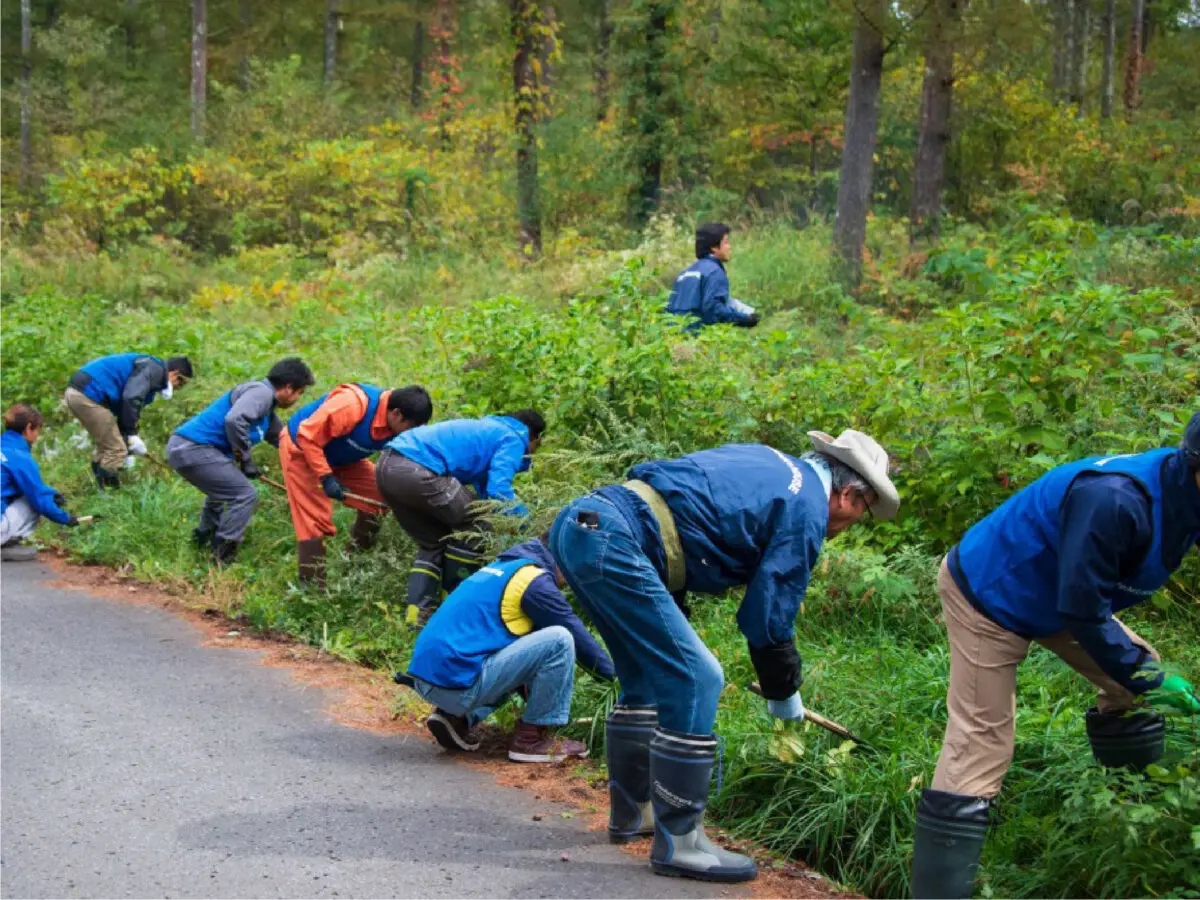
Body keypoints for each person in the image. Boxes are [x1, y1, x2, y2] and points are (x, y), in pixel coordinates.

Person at [550, 430, 899, 883]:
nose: (846, 527)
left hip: (583, 524)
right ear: (850, 495)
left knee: (647, 678)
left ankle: (635, 813)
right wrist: (783, 693)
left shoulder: (771, 464)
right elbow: (768, 616)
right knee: (699, 678)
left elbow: (676, 508)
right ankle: (682, 841)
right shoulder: (807, 506)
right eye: (860, 515)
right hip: (615, 540)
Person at [911, 411, 1200, 900]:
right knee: (982, 737)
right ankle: (940, 893)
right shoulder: (1114, 500)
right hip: (990, 591)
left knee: (1139, 683)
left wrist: (1142, 679)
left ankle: (1137, 818)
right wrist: (1146, 676)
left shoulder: (1185, 493)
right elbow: (1083, 609)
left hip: (1069, 592)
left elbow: (1084, 601)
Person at [405, 535, 614, 763]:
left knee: (520, 646)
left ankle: (456, 718)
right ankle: (530, 740)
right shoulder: (534, 582)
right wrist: (617, 681)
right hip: (456, 684)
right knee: (560, 639)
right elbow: (578, 637)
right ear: (565, 555)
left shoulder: (503, 567)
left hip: (428, 679)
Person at [376, 410, 546, 625]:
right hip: (417, 468)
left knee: (433, 542)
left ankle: (418, 616)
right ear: (535, 437)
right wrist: (526, 523)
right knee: (479, 522)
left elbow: (486, 491)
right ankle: (455, 607)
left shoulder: (488, 430)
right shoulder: (512, 437)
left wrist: (504, 516)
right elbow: (499, 489)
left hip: (386, 466)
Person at [281, 383, 433, 587]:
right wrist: (326, 478)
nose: (413, 433)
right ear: (396, 414)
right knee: (314, 520)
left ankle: (354, 561)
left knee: (381, 498)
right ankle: (312, 591)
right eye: (412, 427)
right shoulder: (351, 405)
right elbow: (307, 436)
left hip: (343, 458)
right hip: (302, 450)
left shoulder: (398, 421)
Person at [167, 358, 315, 565]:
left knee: (222, 493)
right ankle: (223, 553)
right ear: (289, 388)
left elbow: (283, 441)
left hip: (194, 450)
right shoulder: (261, 393)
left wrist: (316, 467)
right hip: (192, 448)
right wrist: (244, 458)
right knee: (244, 494)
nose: (297, 399)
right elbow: (235, 420)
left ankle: (202, 540)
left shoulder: (268, 411)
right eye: (300, 393)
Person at [65, 352, 193, 489]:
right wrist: (132, 434)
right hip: (88, 393)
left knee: (109, 446)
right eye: (181, 381)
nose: (179, 387)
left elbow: (125, 410)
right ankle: (110, 497)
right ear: (174, 373)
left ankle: (99, 490)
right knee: (115, 450)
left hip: (80, 392)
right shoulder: (155, 370)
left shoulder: (152, 372)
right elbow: (131, 398)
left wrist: (128, 442)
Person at [1, 404, 78, 561]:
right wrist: (66, 518)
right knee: (32, 503)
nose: (37, 436)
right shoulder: (19, 457)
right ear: (29, 428)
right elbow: (38, 498)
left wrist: (51, 493)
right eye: (37, 431)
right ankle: (6, 545)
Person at [666, 223, 759, 331]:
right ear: (714, 247)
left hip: (672, 338)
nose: (729, 247)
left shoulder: (684, 274)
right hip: (695, 340)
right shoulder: (714, 272)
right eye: (726, 242)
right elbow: (714, 308)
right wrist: (746, 319)